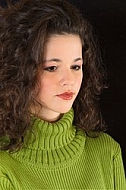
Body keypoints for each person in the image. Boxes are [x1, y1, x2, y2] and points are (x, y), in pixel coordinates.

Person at [0, 0, 125, 189]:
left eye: (76, 66)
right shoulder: (4, 168)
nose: (69, 80)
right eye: (52, 67)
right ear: (18, 70)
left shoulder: (107, 152)